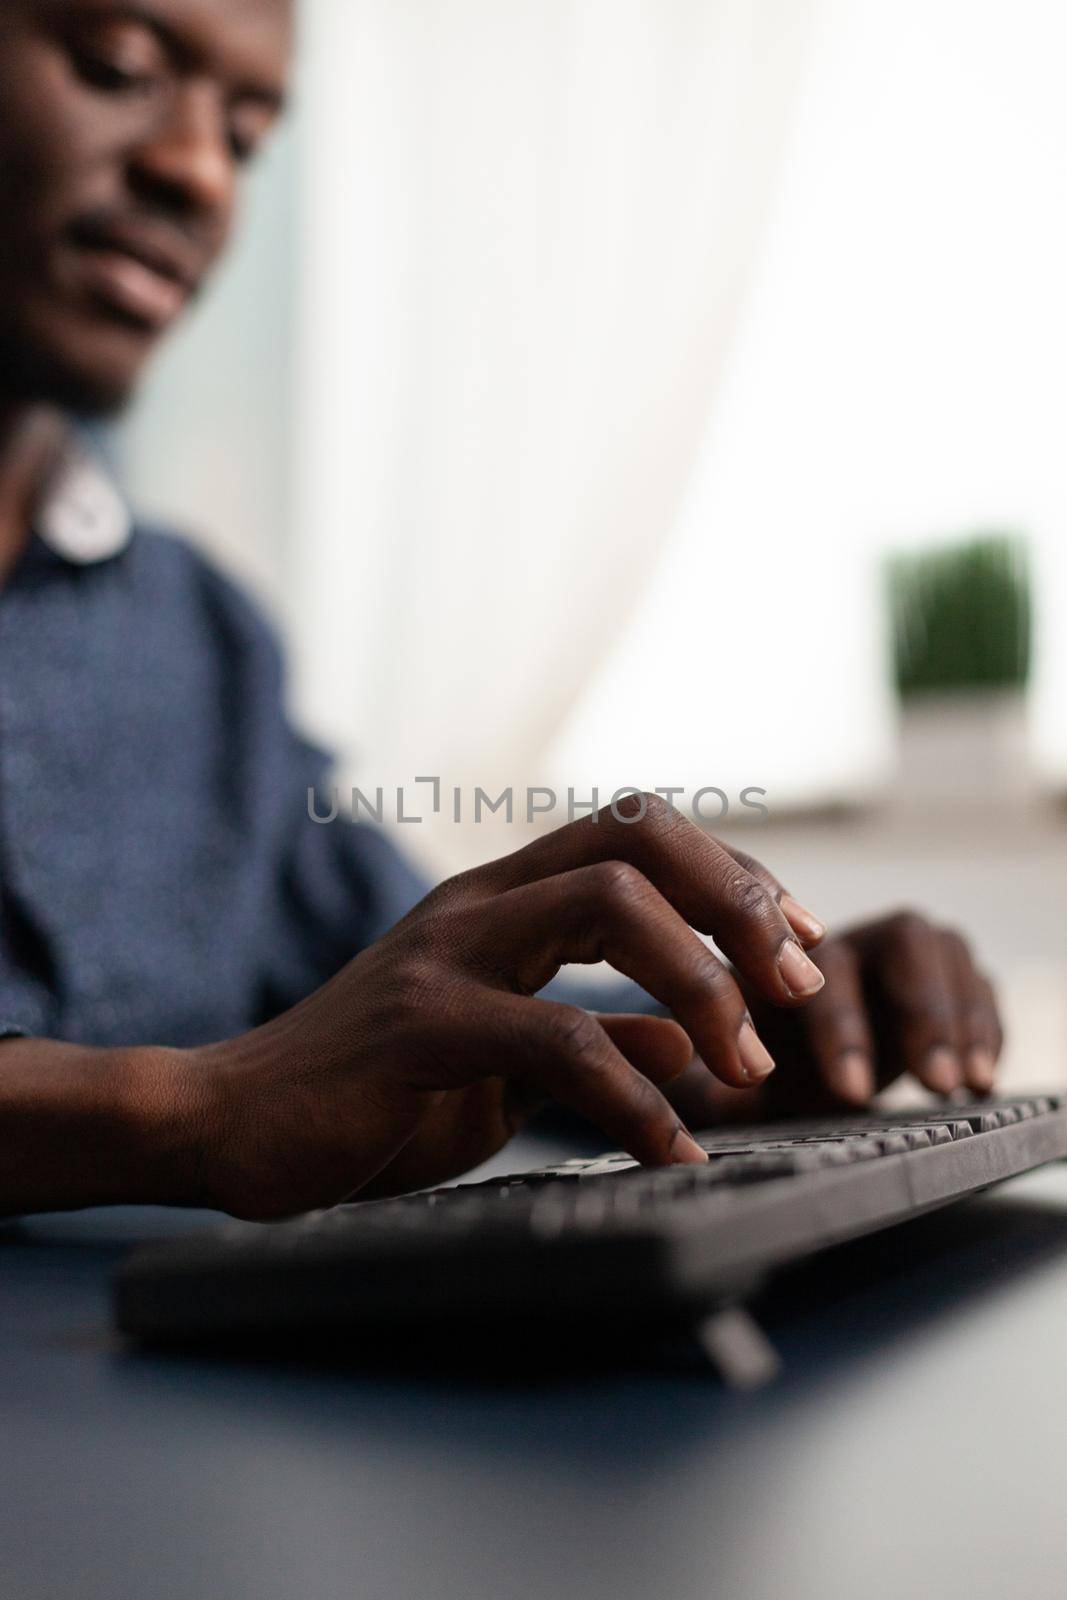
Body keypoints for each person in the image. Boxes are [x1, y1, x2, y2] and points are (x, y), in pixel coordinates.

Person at [0, 0, 1003, 1221]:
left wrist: (741, 1032)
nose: (200, 170)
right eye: (117, 67)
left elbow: (411, 1005)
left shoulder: (203, 642)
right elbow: (259, 1085)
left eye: (250, 133)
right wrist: (194, 1107)